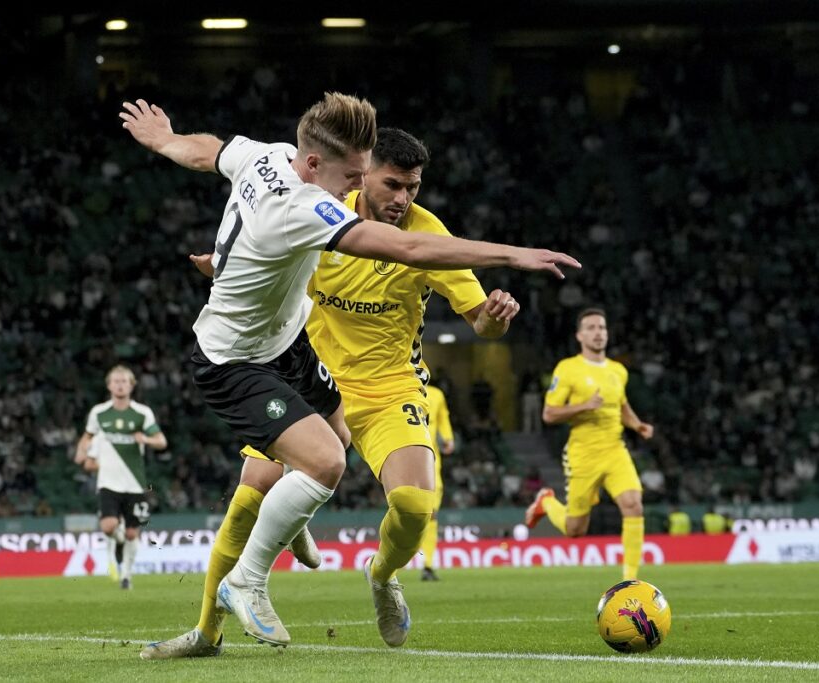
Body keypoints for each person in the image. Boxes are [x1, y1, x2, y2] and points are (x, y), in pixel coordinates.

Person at [120, 94, 580, 653]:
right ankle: (217, 618)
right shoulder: (313, 209)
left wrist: (165, 140)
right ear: (318, 165)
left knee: (407, 503)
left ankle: (377, 571)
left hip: (348, 369)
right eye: (367, 181)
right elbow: (405, 249)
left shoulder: (271, 155)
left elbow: (211, 151)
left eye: (407, 187)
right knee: (277, 484)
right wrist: (515, 254)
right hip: (246, 358)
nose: (361, 191)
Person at [525, 308, 654, 580]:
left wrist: (637, 424)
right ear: (580, 335)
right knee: (575, 529)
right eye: (592, 328)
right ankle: (547, 502)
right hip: (582, 454)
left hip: (615, 450)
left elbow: (621, 405)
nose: (599, 333)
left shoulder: (618, 370)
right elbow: (549, 414)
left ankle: (630, 580)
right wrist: (585, 406)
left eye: (602, 328)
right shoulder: (568, 368)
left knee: (633, 504)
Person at [74, 365, 168, 590]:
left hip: (135, 483)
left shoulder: (142, 413)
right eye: (115, 381)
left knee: (132, 532)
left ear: (131, 385)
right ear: (108, 386)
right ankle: (117, 545)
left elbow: (161, 441)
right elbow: (87, 438)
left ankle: (126, 574)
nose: (119, 384)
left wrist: (144, 439)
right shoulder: (99, 413)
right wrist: (81, 452)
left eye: (124, 381)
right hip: (108, 482)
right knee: (108, 526)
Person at [420, 380, 455, 582]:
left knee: (432, 514)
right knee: (407, 510)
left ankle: (428, 564)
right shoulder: (399, 388)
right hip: (406, 456)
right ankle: (387, 565)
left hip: (433, 461)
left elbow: (443, 417)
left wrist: (448, 437)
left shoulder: (436, 394)